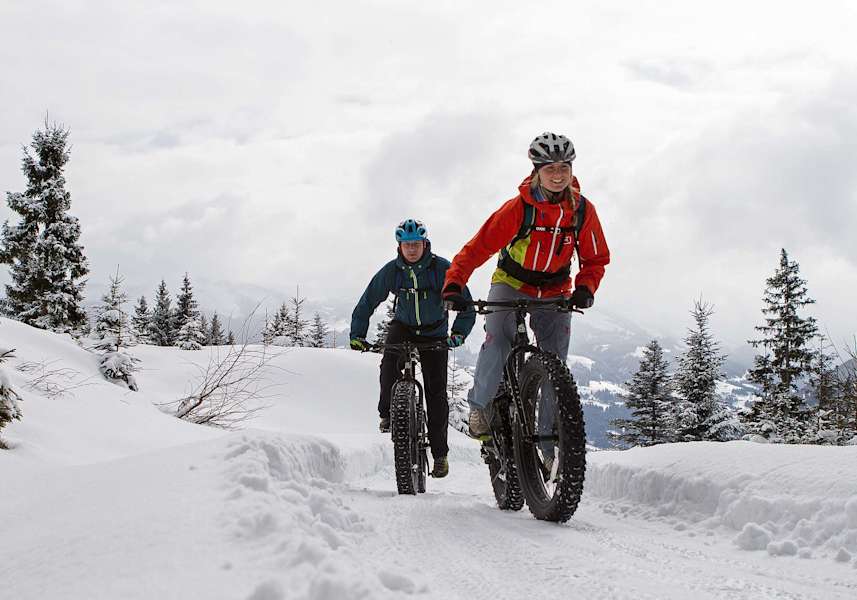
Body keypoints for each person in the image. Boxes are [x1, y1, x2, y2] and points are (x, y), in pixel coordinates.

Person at [442, 132, 610, 438]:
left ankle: (548, 443)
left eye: (563, 168)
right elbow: (478, 247)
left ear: (571, 170)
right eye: (550, 169)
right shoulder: (519, 209)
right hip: (512, 282)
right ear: (537, 171)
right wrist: (454, 283)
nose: (558, 176)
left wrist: (586, 287)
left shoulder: (583, 211)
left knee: (555, 360)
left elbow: (595, 258)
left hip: (556, 289)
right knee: (498, 337)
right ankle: (481, 406)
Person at [350, 219, 476, 478]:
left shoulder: (442, 268)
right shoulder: (393, 270)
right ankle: (387, 413)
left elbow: (467, 305)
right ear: (399, 245)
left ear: (425, 243)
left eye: (415, 244)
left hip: (435, 331)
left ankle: (440, 455)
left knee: (436, 392)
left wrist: (458, 334)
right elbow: (368, 300)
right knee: (388, 366)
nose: (411, 249)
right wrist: (357, 334)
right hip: (403, 327)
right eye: (406, 244)